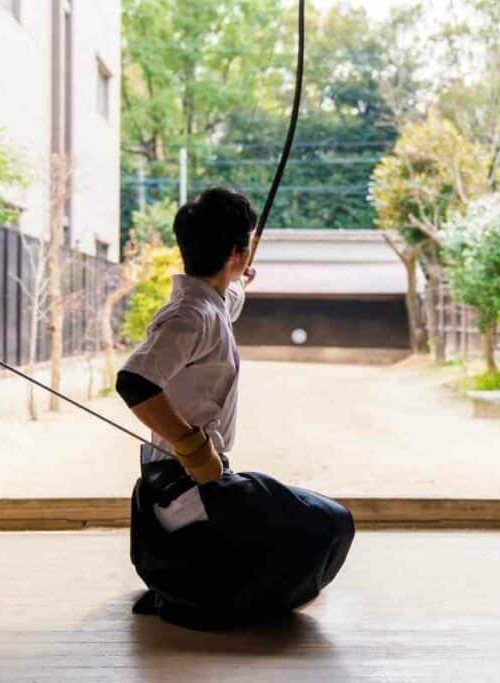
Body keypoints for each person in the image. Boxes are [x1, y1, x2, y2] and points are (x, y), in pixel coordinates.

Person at [116, 187, 355, 630]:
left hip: (191, 481)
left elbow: (222, 305)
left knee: (304, 522)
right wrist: (192, 447)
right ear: (234, 252)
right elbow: (134, 382)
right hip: (187, 485)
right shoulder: (191, 314)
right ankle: (199, 590)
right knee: (330, 525)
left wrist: (237, 275)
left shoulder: (206, 303)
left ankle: (192, 583)